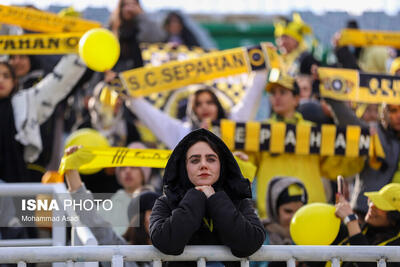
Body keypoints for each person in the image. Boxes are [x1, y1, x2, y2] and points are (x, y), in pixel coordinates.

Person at [240, 72, 364, 218]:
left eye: (283, 92)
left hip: (311, 211)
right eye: (273, 93)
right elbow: (246, 169)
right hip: (273, 212)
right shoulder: (259, 131)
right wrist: (237, 160)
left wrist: (360, 147)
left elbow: (333, 167)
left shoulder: (313, 131)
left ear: (296, 99)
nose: (276, 97)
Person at [150, 128, 265, 267]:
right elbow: (165, 242)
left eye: (211, 159)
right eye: (194, 160)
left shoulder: (239, 201)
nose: (203, 165)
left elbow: (250, 242)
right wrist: (195, 197)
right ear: (184, 167)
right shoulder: (165, 202)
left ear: (221, 165)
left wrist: (215, 200)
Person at [65, 145, 161, 267]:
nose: (127, 171)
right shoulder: (120, 253)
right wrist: (71, 170)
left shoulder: (179, 251)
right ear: (138, 219)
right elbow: (92, 220)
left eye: (134, 167)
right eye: (152, 211)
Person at [0, 54, 86, 183]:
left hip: (21, 181)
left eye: (6, 76)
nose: (0, 80)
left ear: (14, 81)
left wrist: (78, 51)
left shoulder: (25, 102)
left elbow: (57, 83)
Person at [126, 71, 268, 149]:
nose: (204, 107)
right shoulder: (183, 133)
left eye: (209, 102)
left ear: (218, 105)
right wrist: (125, 91)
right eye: (198, 104)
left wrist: (260, 64)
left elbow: (252, 95)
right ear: (192, 111)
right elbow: (154, 117)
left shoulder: (234, 123)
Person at [334, 183, 400, 267]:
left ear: (395, 218)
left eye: (381, 205)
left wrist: (351, 220)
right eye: (373, 201)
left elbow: (368, 264)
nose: (372, 206)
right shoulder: (364, 228)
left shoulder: (397, 247)